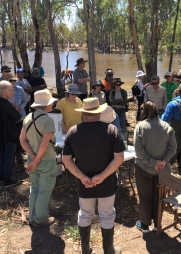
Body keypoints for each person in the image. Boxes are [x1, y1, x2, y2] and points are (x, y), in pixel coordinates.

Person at [62, 98, 125, 254]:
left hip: (84, 184)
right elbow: (119, 158)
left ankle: (85, 249)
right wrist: (102, 176)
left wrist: (82, 177)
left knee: (85, 214)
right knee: (107, 214)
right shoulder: (111, 130)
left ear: (83, 112)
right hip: (107, 182)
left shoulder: (73, 131)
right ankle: (108, 249)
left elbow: (66, 159)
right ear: (99, 112)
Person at [134, 101, 177, 233]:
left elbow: (139, 151)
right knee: (159, 197)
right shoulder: (167, 126)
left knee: (144, 196)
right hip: (162, 170)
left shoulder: (140, 127)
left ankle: (145, 225)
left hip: (144, 168)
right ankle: (158, 224)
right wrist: (163, 162)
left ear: (143, 112)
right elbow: (173, 148)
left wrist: (152, 163)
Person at [20, 89, 58, 227]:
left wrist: (32, 156)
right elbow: (44, 144)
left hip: (32, 160)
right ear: (47, 105)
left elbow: (22, 140)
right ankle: (40, 219)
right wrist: (37, 159)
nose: (52, 106)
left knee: (34, 187)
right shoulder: (48, 120)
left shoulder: (27, 118)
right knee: (45, 189)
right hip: (46, 160)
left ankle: (32, 216)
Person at [0, 81, 21, 187]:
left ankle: (1, 176)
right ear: (3, 91)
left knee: (2, 154)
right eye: (11, 90)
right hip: (8, 132)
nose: (13, 92)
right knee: (9, 155)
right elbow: (17, 116)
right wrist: (15, 109)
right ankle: (8, 179)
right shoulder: (5, 103)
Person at [2, 73, 29, 166]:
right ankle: (11, 155)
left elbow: (26, 101)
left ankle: (19, 153)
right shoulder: (2, 91)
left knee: (19, 136)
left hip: (20, 116)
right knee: (10, 137)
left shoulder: (20, 89)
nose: (13, 82)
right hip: (8, 118)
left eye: (14, 80)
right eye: (11, 81)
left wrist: (20, 107)